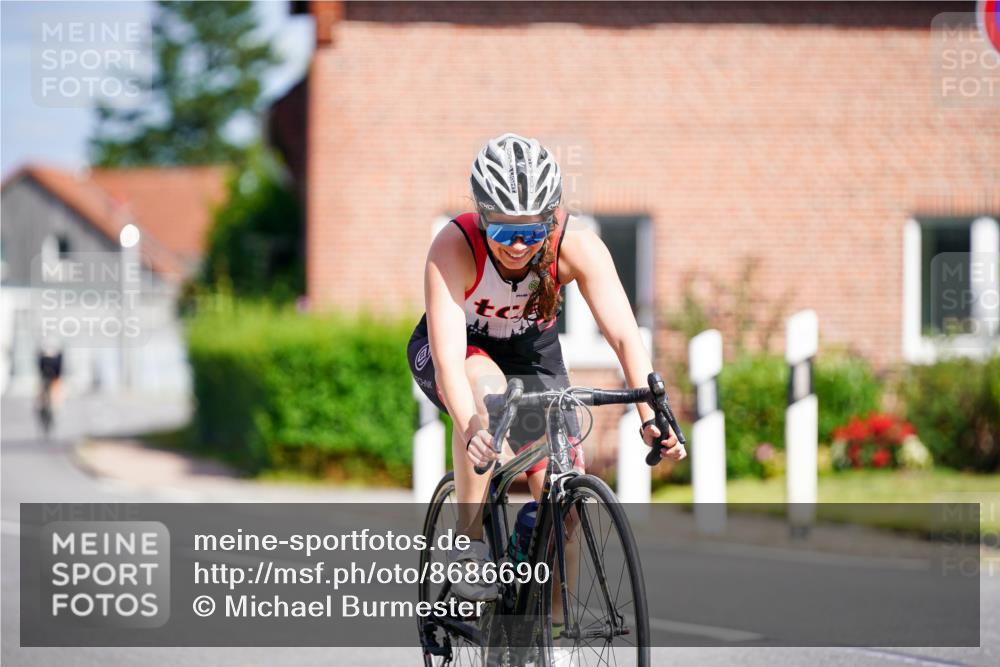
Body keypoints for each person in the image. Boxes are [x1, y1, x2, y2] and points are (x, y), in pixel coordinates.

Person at [408, 133, 686, 600]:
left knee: (563, 504)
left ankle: (552, 640)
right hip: (461, 351)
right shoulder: (453, 246)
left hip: (530, 350)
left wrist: (650, 416)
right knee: (489, 398)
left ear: (551, 220)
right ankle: (470, 545)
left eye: (532, 231)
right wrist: (473, 429)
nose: (518, 245)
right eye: (502, 231)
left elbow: (622, 335)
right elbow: (450, 364)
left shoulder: (576, 245)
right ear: (481, 217)